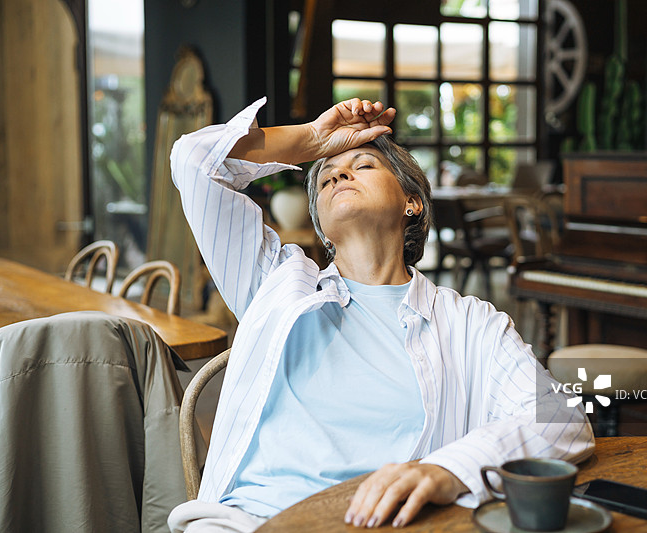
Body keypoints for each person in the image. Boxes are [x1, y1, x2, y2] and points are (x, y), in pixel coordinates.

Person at [167, 97, 594, 532]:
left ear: (413, 203)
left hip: (380, 524)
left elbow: (560, 417)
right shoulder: (274, 283)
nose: (338, 174)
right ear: (321, 222)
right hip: (249, 522)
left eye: (364, 165)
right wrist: (312, 138)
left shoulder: (470, 323)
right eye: (327, 176)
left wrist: (446, 471)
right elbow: (193, 159)